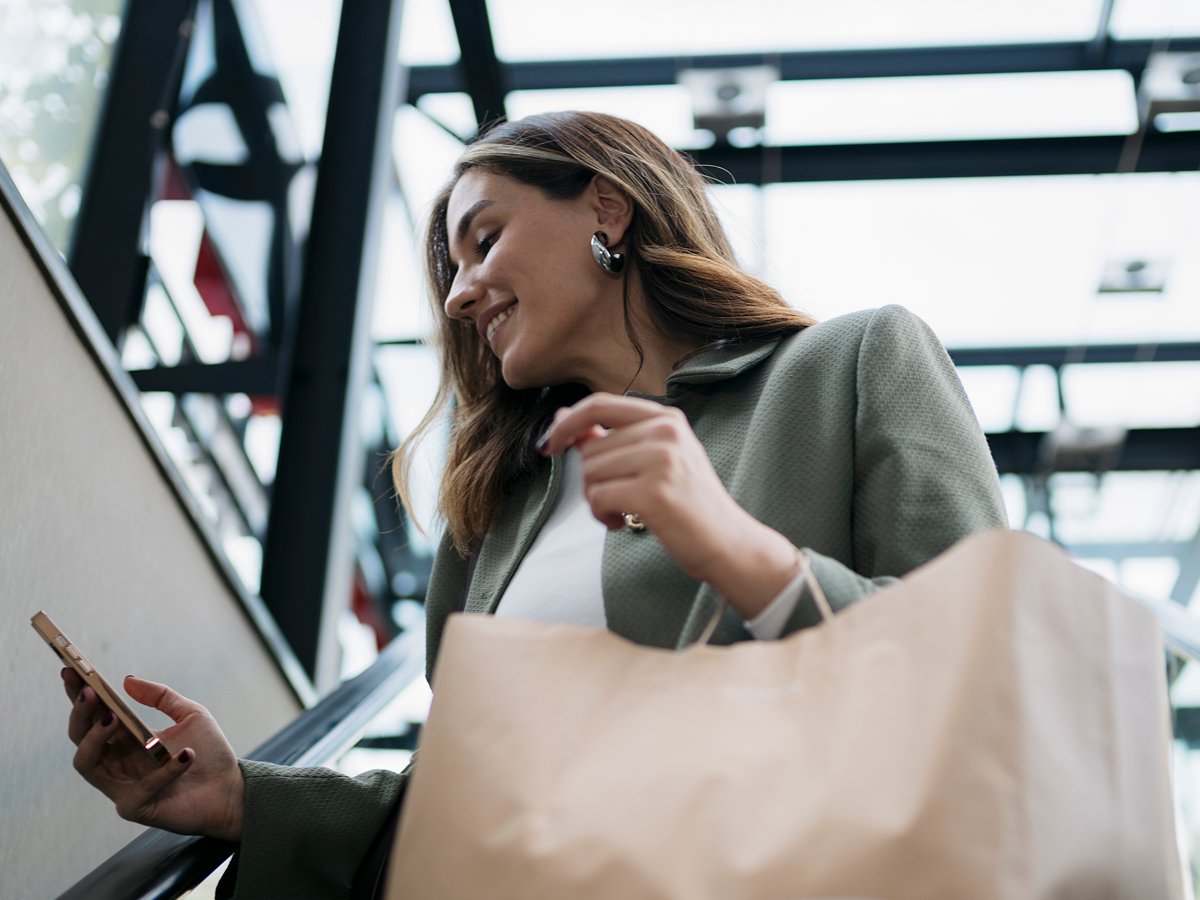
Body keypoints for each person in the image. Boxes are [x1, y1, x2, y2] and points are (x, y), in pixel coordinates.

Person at [63, 111, 1006, 899]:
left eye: (485, 239)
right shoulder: (498, 517)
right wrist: (241, 799)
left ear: (609, 207)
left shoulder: (850, 367)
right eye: (454, 271)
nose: (464, 293)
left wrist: (741, 553)